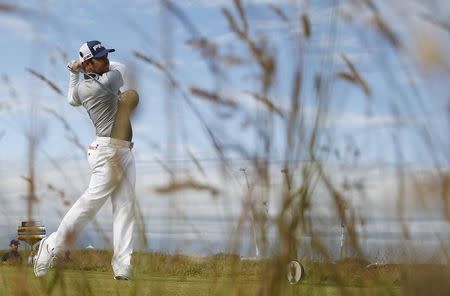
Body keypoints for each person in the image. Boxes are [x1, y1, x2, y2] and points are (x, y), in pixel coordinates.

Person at [34, 40, 139, 280]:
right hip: (108, 152)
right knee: (91, 203)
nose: (107, 60)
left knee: (125, 207)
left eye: (105, 55)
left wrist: (74, 72)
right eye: (100, 57)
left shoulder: (82, 87)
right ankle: (51, 245)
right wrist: (79, 68)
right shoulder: (105, 82)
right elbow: (122, 68)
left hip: (123, 151)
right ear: (90, 64)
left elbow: (71, 99)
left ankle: (122, 266)